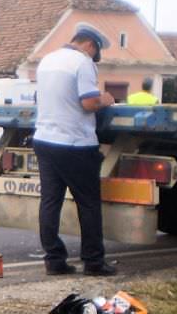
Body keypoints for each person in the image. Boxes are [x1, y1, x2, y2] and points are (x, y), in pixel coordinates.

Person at [33, 23, 118, 277]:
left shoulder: (47, 60)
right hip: (75, 144)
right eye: (95, 54)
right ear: (90, 46)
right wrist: (107, 98)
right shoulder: (82, 63)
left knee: (50, 201)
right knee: (88, 203)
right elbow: (89, 102)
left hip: (44, 139)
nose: (94, 58)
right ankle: (93, 262)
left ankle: (54, 260)